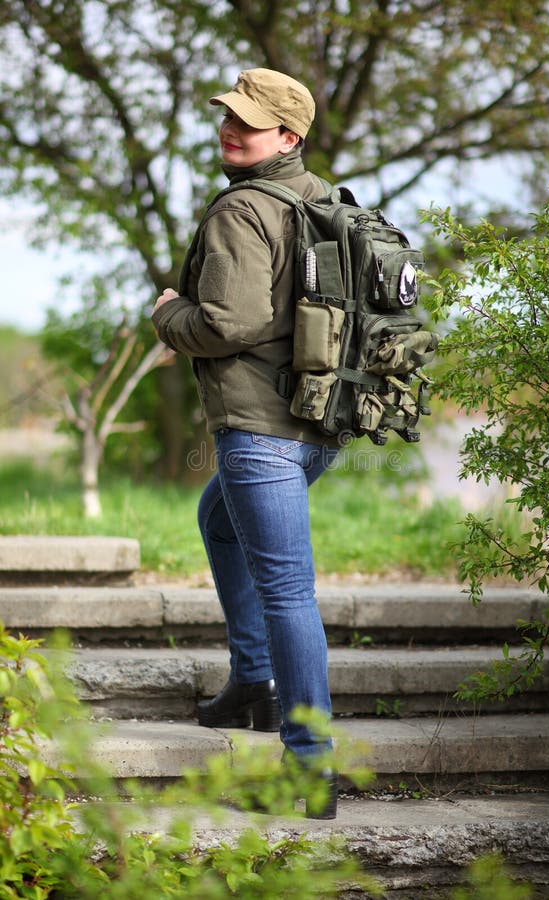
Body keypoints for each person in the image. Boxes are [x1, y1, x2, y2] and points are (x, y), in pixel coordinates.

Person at [151, 68, 339, 818]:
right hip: (321, 423)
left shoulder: (243, 210)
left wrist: (167, 315)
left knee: (289, 593)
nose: (231, 129)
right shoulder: (323, 198)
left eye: (249, 123)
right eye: (228, 116)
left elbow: (225, 323)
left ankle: (309, 768)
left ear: (287, 138)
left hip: (260, 430)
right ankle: (252, 684)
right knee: (216, 520)